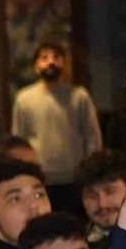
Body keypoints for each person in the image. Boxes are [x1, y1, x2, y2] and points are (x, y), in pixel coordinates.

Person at [10, 44, 101, 187]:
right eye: (44, 58)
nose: (50, 62)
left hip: (75, 179)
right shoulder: (24, 99)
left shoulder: (79, 96)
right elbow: (19, 140)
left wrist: (91, 170)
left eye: (56, 57)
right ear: (36, 66)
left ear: (63, 64)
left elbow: (92, 136)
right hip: (39, 179)